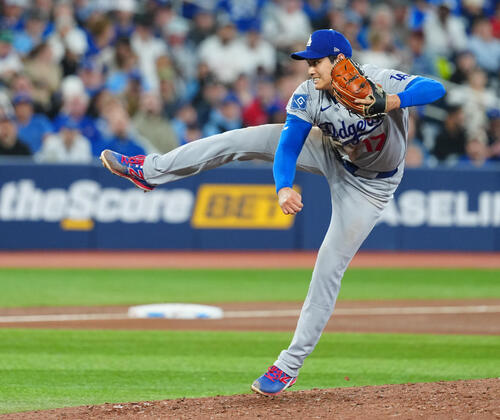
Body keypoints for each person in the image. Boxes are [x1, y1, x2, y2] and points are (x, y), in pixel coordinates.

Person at [100, 29, 445, 395]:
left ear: (340, 61)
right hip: (330, 152)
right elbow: (288, 146)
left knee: (328, 267)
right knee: (239, 139)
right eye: (308, 62)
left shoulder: (378, 79)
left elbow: (435, 88)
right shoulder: (308, 95)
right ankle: (149, 171)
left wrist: (392, 101)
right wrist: (283, 187)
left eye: (316, 62)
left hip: (371, 186)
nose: (310, 69)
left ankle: (288, 366)